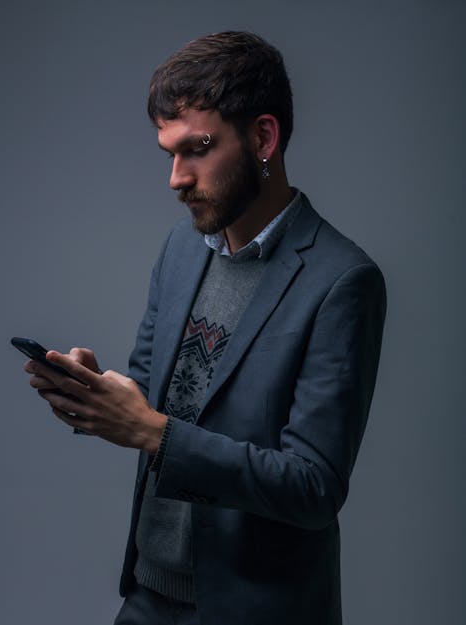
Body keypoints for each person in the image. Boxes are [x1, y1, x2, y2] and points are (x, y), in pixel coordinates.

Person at [24, 31, 386, 625]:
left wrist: (154, 434)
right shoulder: (180, 249)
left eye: (198, 148)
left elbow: (314, 487)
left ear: (263, 137)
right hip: (146, 594)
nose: (176, 178)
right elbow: (151, 398)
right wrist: (95, 397)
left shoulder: (342, 281)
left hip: (254, 609)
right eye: (168, 153)